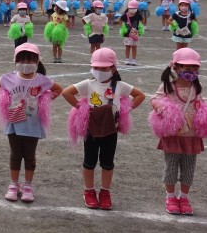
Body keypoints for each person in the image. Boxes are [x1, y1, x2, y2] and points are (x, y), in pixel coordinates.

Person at [61, 48, 146, 210]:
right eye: (96, 67)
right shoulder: (88, 84)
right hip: (91, 130)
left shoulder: (119, 85)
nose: (99, 71)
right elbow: (66, 93)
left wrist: (126, 110)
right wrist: (81, 108)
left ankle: (105, 192)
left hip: (110, 130)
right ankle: (89, 190)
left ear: (113, 68)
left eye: (104, 68)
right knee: (89, 161)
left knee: (108, 163)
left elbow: (140, 95)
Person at [0, 43, 62, 203]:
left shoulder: (42, 80)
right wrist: (3, 98)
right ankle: (14, 184)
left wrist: (45, 100)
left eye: (30, 60)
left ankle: (28, 185)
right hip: (14, 122)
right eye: (22, 60)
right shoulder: (8, 78)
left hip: (32, 124)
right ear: (16, 60)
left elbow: (58, 89)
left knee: (29, 156)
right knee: (15, 155)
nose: (26, 63)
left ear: (37, 61)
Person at [150, 48, 207, 216]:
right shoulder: (168, 86)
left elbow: (200, 103)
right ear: (176, 67)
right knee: (171, 167)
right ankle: (170, 196)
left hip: (192, 136)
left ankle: (184, 197)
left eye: (194, 68)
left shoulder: (196, 87)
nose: (191, 71)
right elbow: (154, 100)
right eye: (187, 68)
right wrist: (162, 109)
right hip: (173, 135)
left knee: (188, 168)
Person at [120, 0, 144, 66]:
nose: (132, 9)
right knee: (127, 47)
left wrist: (141, 27)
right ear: (128, 8)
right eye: (131, 8)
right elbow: (120, 19)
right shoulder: (125, 15)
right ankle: (127, 59)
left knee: (134, 47)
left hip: (135, 33)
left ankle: (134, 60)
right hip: (127, 34)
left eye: (134, 8)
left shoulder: (138, 15)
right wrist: (122, 27)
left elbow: (143, 19)